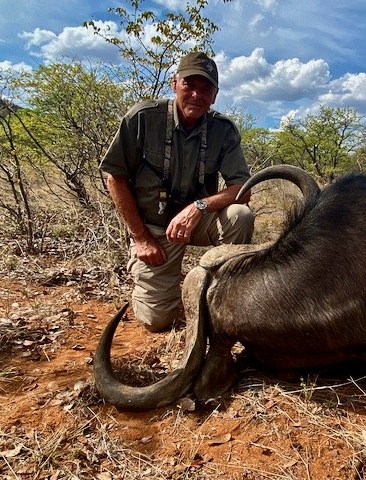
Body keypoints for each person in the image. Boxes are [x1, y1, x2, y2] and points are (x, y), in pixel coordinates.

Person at [100, 51, 254, 332]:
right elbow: (115, 177)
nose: (197, 94)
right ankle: (146, 273)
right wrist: (141, 237)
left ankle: (225, 296)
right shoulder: (143, 118)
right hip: (155, 230)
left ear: (215, 95)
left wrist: (200, 207)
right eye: (189, 85)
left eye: (206, 88)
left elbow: (242, 190)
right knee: (157, 321)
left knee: (240, 215)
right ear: (174, 84)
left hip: (197, 222)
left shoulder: (223, 129)